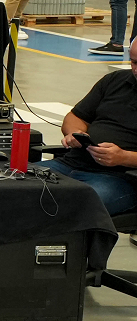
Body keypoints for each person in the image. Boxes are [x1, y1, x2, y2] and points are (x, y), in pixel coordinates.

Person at [38, 38, 137, 213]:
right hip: (70, 163)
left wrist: (124, 158)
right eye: (134, 62)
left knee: (75, 203)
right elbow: (75, 117)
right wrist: (74, 133)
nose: (136, 70)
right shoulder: (115, 81)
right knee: (10, 185)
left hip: (119, 178)